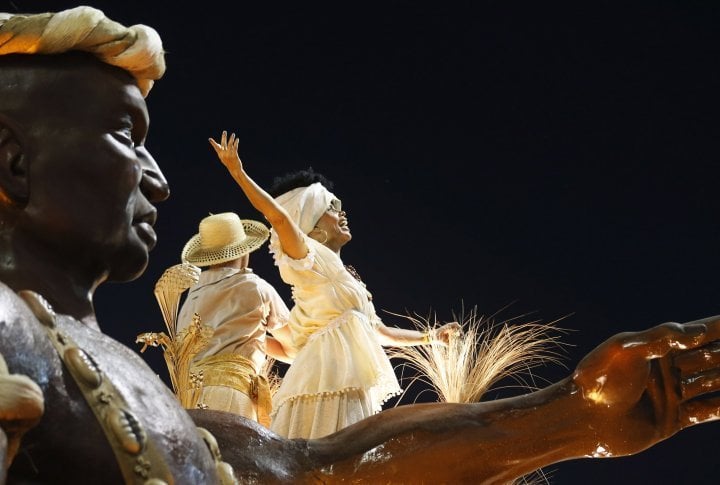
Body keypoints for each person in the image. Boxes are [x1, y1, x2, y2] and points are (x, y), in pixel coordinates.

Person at [1, 6, 720, 484]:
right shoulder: (12, 335)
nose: (158, 181)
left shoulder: (132, 395)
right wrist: (238, 175)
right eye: (127, 136)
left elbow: (319, 467)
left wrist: (573, 413)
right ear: (12, 159)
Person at [209, 132, 462, 438]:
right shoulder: (307, 258)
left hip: (350, 375)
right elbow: (277, 217)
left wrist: (431, 337)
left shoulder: (347, 278)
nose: (342, 214)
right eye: (330, 208)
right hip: (325, 377)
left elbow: (379, 331)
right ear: (310, 224)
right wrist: (238, 172)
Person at [177, 211, 294, 425]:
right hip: (231, 397)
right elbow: (293, 349)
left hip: (187, 401)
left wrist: (245, 334)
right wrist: (253, 338)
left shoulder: (192, 295)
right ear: (245, 251)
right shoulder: (255, 287)